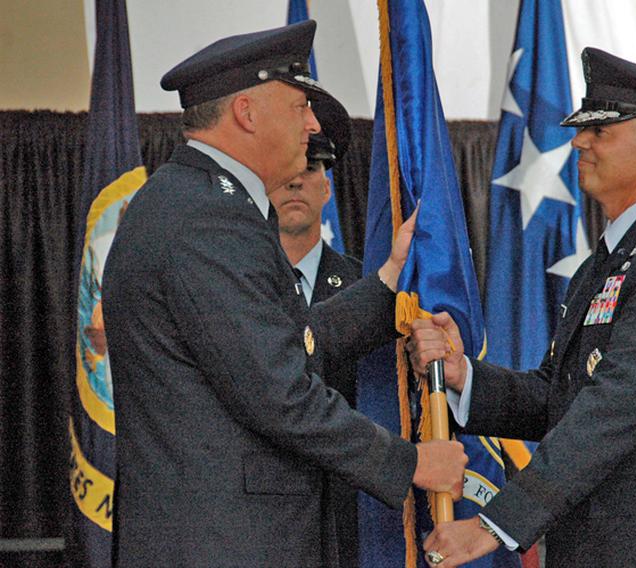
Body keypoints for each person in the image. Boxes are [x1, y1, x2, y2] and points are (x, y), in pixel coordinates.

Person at [103, 21, 467, 568]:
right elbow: (279, 391)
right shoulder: (208, 220)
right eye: (300, 105)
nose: (313, 123)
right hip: (225, 547)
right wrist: (410, 463)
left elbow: (286, 346)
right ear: (247, 113)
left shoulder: (198, 202)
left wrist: (388, 280)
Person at [407, 47, 636, 567]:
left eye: (600, 131)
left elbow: (612, 409)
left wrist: (495, 524)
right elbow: (560, 397)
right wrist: (464, 378)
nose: (578, 143)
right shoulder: (609, 259)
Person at [269, 131, 364, 565]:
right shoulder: (235, 286)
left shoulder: (368, 292)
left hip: (348, 509)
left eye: (309, 170)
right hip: (264, 507)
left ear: (327, 187)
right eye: (285, 172)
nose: (295, 183)